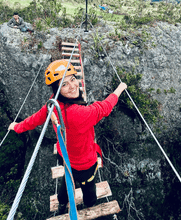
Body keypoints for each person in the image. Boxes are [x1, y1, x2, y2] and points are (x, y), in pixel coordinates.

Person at [8, 59, 127, 215]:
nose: (73, 86)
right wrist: (120, 89)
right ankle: (90, 207)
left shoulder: (53, 104)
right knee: (89, 188)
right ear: (58, 89)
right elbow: (104, 107)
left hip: (66, 158)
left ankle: (62, 206)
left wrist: (17, 127)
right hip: (85, 163)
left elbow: (35, 119)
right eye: (64, 84)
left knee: (67, 182)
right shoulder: (82, 113)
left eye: (72, 79)